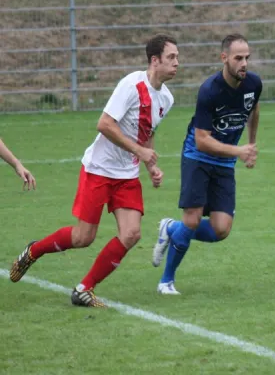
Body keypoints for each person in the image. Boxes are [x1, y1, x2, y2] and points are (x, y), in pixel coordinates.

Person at [9, 33, 179, 307]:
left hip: (127, 175)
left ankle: (84, 289)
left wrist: (151, 165)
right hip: (99, 169)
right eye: (171, 57)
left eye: (177, 58)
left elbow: (147, 132)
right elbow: (104, 124)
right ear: (154, 60)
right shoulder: (131, 85)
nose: (177, 63)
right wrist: (139, 151)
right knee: (82, 237)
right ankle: (34, 250)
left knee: (132, 234)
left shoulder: (167, 98)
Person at [151, 33, 261, 295]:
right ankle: (166, 281)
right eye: (238, 58)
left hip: (224, 163)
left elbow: (254, 110)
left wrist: (251, 144)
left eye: (247, 57)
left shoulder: (254, 84)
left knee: (221, 229)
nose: (244, 63)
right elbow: (202, 141)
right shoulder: (209, 90)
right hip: (197, 158)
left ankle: (170, 228)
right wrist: (239, 151)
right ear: (224, 58)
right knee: (192, 220)